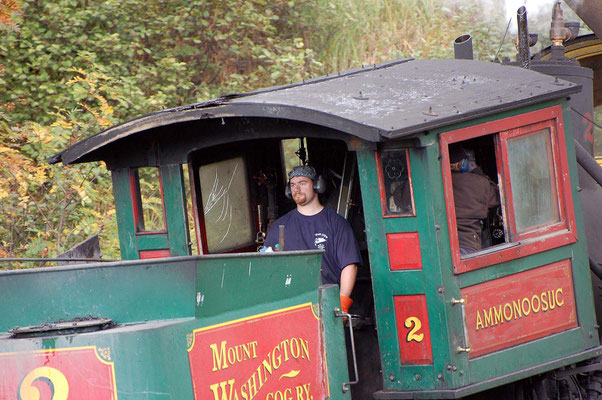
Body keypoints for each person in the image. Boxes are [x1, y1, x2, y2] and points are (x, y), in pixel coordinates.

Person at [262, 165, 361, 314]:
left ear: (317, 185)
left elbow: (349, 265)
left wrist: (342, 303)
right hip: (289, 306)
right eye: (293, 185)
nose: (296, 189)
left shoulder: (337, 223)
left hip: (326, 303)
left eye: (302, 183)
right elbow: (268, 268)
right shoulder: (278, 227)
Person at [449, 146, 500, 254]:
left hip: (442, 247)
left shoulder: (434, 183)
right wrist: (477, 171)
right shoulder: (478, 182)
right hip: (469, 245)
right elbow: (498, 197)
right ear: (462, 163)